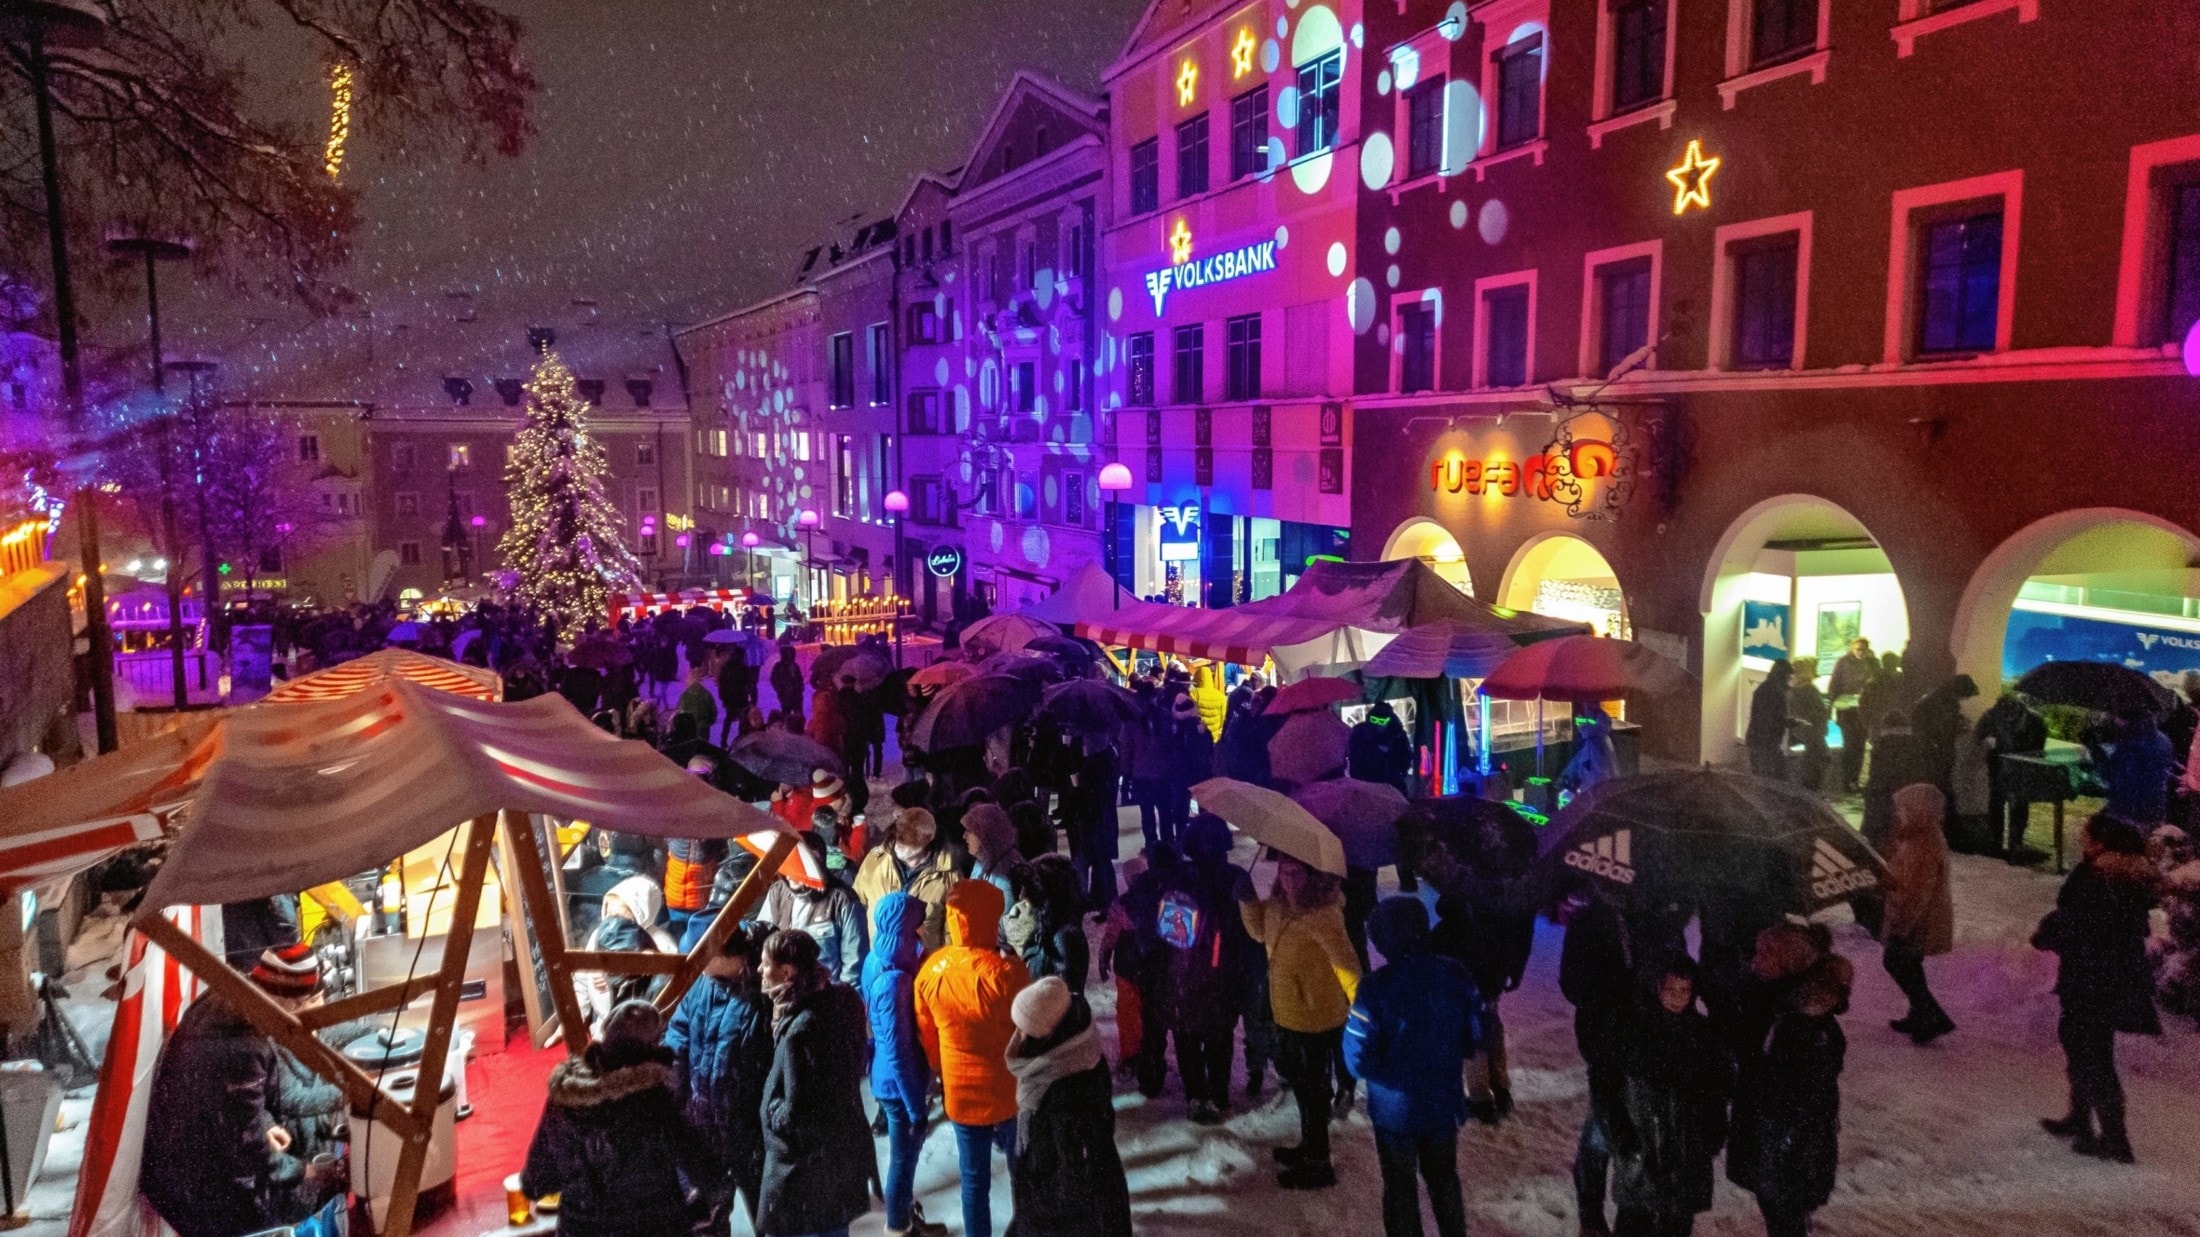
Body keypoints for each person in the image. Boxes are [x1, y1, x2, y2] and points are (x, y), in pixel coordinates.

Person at [142, 945, 349, 1237]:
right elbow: (250, 1145)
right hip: (198, 1192)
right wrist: (308, 1172)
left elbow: (245, 1110)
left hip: (195, 1164)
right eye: (302, 1006)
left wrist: (272, 1126)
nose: (303, 1018)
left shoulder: (228, 998)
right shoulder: (240, 1046)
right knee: (323, 1190)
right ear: (283, 1002)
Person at [1344, 897, 1482, 1237]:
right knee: (1444, 1179)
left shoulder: (1375, 987)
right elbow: (1476, 1033)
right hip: (1442, 1103)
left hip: (1396, 1113)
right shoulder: (1456, 974)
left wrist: (1394, 1077)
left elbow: (1355, 1056)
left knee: (1400, 1187)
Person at [521, 1000, 708, 1237]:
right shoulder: (654, 1101)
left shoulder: (564, 1100)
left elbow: (534, 1183)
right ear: (652, 1047)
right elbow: (705, 1170)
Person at [2035, 814, 2161, 1163]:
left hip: (2095, 978)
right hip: (2098, 976)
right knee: (2080, 1044)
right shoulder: (2111, 875)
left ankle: (2114, 1138)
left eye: (2086, 835)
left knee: (2093, 1054)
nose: (2081, 839)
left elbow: (2084, 924)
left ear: (2101, 842)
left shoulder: (2103, 878)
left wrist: (2054, 933)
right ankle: (2080, 1117)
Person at [914, 880, 1032, 1237]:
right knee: (1022, 1171)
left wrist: (939, 1066)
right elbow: (1026, 1026)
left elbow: (927, 1033)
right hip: (1008, 1087)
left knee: (973, 1179)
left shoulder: (933, 969)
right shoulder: (1008, 972)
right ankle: (1026, 1227)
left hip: (961, 1092)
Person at [1239, 852, 1361, 1190]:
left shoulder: (1323, 914)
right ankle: (1309, 1147)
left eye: (1297, 872)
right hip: (1288, 1011)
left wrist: (1364, 1012)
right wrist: (1248, 900)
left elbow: (1347, 965)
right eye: (1284, 871)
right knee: (1305, 1089)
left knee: (1313, 1091)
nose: (1289, 879)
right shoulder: (1278, 904)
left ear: (1313, 875)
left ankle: (1319, 1163)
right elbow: (1259, 934)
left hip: (1316, 1015)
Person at [1122, 815, 1250, 1121]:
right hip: (1223, 970)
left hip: (1179, 969)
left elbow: (1149, 918)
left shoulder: (1175, 875)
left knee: (1186, 1034)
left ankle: (1196, 1096)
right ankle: (1218, 1095)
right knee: (1220, 1035)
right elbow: (1247, 930)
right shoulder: (1236, 878)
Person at [757, 929, 877, 1237]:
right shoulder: (842, 998)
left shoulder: (802, 1027)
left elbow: (797, 1107)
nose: (759, 970)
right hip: (839, 1152)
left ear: (787, 972)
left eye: (765, 963)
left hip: (806, 1170)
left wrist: (772, 1111)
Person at [1608, 957, 1732, 1237]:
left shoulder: (1701, 1034)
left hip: (1687, 1149)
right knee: (1634, 1218)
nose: (1678, 998)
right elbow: (1607, 1086)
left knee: (1677, 1220)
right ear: (1655, 988)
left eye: (1685, 990)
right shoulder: (1633, 1030)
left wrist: (1713, 1130)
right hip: (1642, 1142)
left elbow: (1718, 1087)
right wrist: (1620, 1134)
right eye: (1670, 990)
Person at [1727, 955, 1851, 1237]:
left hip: (1790, 1127)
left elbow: (1815, 1076)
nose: (1756, 960)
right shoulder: (1786, 1016)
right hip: (1782, 1125)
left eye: (1765, 952)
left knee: (1784, 1198)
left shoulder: (1808, 1023)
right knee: (1781, 1197)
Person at [1003, 976, 1134, 1237]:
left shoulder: (1067, 1095)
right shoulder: (1076, 1051)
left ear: (1049, 1032)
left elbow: (1077, 1183)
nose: (1018, 1036)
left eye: (1025, 1028)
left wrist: (1032, 1211)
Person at [665, 924, 775, 1233]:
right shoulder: (702, 984)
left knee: (767, 1212)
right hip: (703, 1124)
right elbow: (679, 1030)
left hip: (750, 1129)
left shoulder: (765, 991)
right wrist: (673, 1077)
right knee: (706, 1216)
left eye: (701, 960)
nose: (696, 968)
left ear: (727, 955)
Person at [863, 893, 947, 1237]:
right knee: (903, 1159)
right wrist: (916, 1107)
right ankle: (898, 1225)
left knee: (904, 1157)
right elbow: (897, 1050)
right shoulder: (893, 980)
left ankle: (903, 1218)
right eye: (915, 924)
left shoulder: (879, 958)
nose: (920, 931)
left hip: (892, 1078)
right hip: (898, 1085)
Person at [1561, 893, 1637, 1237]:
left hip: (1644, 1039)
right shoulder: (1588, 921)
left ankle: (1630, 1214)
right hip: (1607, 1038)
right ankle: (1591, 1219)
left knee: (1634, 1132)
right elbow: (1573, 985)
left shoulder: (1653, 910)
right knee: (1602, 1131)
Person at [1882, 782, 1957, 1044]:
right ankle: (1922, 1014)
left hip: (1918, 920)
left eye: (1903, 808)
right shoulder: (1917, 835)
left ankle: (1931, 1015)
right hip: (1918, 917)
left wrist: (1902, 926)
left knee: (1897, 961)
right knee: (1908, 965)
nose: (1898, 813)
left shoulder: (1923, 842)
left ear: (1917, 810)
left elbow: (1916, 891)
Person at [756, 834, 870, 986]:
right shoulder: (777, 893)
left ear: (815, 863)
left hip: (822, 999)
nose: (790, 876)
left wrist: (842, 1003)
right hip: (781, 994)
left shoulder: (842, 900)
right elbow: (762, 941)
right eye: (787, 865)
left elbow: (853, 967)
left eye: (796, 866)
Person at [854, 805, 971, 950]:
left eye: (908, 845)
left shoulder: (950, 877)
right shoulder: (875, 860)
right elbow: (858, 902)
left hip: (921, 966)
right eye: (898, 840)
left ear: (927, 842)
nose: (899, 847)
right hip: (881, 959)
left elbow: (954, 932)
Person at [580, 875, 679, 1032]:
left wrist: (614, 975)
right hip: (603, 1027)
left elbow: (662, 991)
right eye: (608, 913)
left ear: (640, 914)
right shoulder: (597, 936)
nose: (611, 922)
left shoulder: (662, 944)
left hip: (639, 1029)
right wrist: (575, 1017)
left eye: (620, 917)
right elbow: (582, 980)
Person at [1975, 692, 2050, 863]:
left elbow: (1980, 735)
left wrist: (1989, 742)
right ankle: (2015, 845)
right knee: (2017, 807)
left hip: (2000, 767)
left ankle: (1998, 845)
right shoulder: (2034, 719)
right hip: (2019, 768)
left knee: (1999, 806)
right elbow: (2039, 746)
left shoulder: (1992, 714)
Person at [2099, 711, 2176, 828]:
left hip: (2125, 812)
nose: (2113, 719)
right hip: (2154, 810)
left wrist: (2098, 754)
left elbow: (2114, 778)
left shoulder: (2129, 743)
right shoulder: (2164, 741)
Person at [1827, 637, 1876, 792]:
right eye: (1858, 649)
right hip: (1847, 709)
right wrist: (1833, 705)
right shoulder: (1843, 662)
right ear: (1853, 648)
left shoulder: (1873, 663)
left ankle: (1853, 779)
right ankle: (1846, 779)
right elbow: (1834, 684)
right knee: (1849, 745)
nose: (1860, 652)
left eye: (1863, 650)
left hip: (1862, 710)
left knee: (1860, 746)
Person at [1349, 700, 1416, 795]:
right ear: (1369, 719)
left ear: (1390, 721)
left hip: (1391, 781)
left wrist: (1399, 772)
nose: (1377, 724)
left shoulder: (1397, 734)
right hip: (1367, 782)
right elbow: (1354, 759)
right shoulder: (1360, 733)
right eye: (1374, 720)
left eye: (1382, 721)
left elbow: (1406, 757)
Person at [1787, 661, 1832, 794]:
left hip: (1801, 731)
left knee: (1810, 762)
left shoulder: (1792, 690)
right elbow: (1820, 713)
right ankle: (1812, 793)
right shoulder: (1809, 689)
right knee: (1818, 761)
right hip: (1813, 733)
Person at [1746, 661, 1793, 780]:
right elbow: (1770, 718)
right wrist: (1788, 722)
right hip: (1766, 742)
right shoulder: (1775, 691)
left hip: (1759, 740)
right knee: (1773, 779)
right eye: (1788, 677)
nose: (1789, 680)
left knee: (1764, 778)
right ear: (1783, 675)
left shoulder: (1765, 688)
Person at [676, 662, 719, 739]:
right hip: (704, 727)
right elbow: (713, 711)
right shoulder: (706, 694)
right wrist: (708, 722)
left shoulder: (685, 695)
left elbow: (679, 712)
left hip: (689, 728)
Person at [771, 642, 807, 730]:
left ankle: (798, 729)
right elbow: (774, 680)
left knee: (797, 714)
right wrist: (780, 690)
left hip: (796, 693)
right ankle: (786, 730)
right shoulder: (779, 666)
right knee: (786, 713)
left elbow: (799, 677)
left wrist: (800, 687)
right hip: (785, 694)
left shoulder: (794, 665)